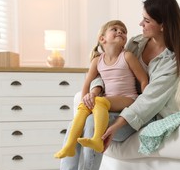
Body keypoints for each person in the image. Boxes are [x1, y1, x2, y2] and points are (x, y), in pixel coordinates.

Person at [33, 0, 180, 170]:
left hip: (143, 116)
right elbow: (105, 69)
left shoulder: (171, 63)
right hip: (113, 106)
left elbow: (148, 101)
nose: (140, 24)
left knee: (95, 125)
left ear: (162, 25)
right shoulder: (135, 43)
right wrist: (95, 90)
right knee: (78, 124)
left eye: (146, 20)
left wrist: (117, 126)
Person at [54, 20, 148, 159]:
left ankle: (97, 139)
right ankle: (69, 146)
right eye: (115, 29)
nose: (120, 32)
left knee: (99, 101)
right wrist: (84, 103)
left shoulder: (127, 56)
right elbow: (87, 84)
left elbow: (143, 79)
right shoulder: (97, 61)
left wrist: (144, 100)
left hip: (128, 99)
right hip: (107, 101)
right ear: (102, 39)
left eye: (123, 31)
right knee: (84, 108)